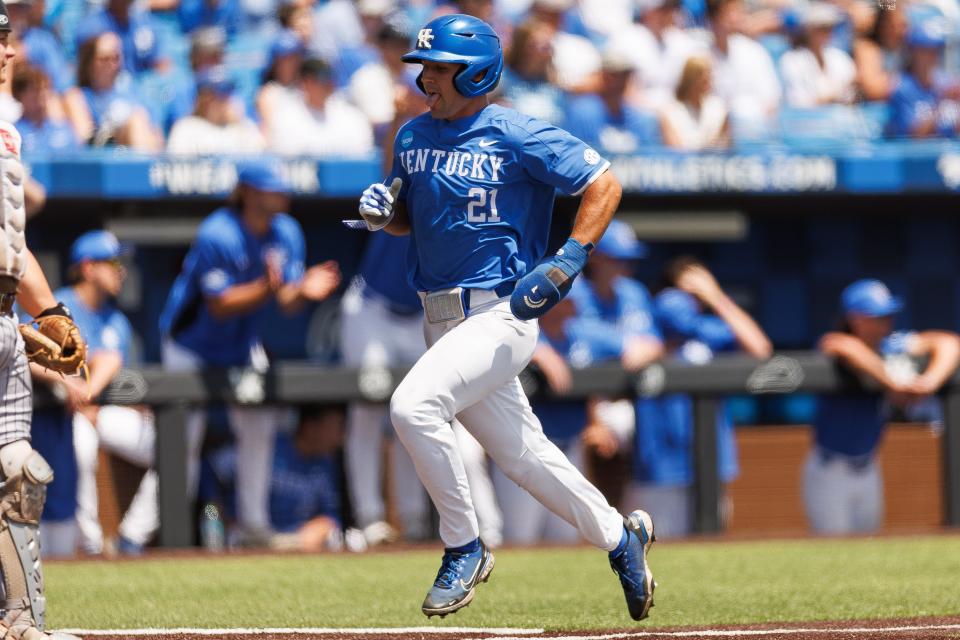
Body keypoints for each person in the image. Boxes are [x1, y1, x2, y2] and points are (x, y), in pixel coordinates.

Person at [356, 14, 655, 621]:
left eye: (441, 68)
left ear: (478, 72)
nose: (426, 80)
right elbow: (411, 217)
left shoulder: (517, 132)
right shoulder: (411, 136)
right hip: (438, 318)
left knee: (412, 407)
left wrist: (569, 259)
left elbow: (603, 183)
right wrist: (384, 212)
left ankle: (464, 545)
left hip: (501, 312)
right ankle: (621, 539)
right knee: (524, 456)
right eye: (425, 67)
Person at [159, 160, 341, 545]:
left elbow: (287, 300)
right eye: (272, 188)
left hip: (241, 347)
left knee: (260, 427)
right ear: (249, 193)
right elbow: (220, 304)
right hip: (191, 346)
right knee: (183, 438)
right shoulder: (218, 233)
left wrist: (303, 290)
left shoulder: (287, 232)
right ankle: (163, 531)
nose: (282, 195)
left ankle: (254, 527)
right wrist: (269, 287)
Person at [0, 3, 83, 636]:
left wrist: (47, 312)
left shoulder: (8, 126)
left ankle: (22, 620)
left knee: (20, 473)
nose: (8, 52)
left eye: (8, 41)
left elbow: (12, 242)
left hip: (3, 315)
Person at [340, 233, 503, 547]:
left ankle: (414, 518)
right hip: (373, 305)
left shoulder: (461, 203)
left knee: (421, 406)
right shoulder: (409, 187)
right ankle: (369, 517)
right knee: (366, 410)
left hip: (425, 309)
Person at [627, 257, 771, 538]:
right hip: (660, 467)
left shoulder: (707, 332)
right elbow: (630, 356)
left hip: (710, 462)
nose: (685, 303)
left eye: (695, 295)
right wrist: (658, 348)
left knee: (710, 549)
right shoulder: (647, 326)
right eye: (682, 293)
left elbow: (760, 349)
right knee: (654, 555)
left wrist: (716, 297)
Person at [808, 279, 960, 534]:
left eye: (889, 314)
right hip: (829, 469)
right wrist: (892, 382)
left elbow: (949, 342)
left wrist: (929, 382)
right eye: (879, 316)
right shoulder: (839, 344)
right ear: (856, 318)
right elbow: (840, 345)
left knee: (869, 548)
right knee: (833, 551)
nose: (887, 321)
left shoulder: (891, 345)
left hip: (868, 468)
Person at [58, 231, 159, 556]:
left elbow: (127, 380)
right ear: (88, 268)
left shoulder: (118, 321)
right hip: (62, 415)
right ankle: (88, 546)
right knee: (80, 445)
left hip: (104, 413)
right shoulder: (58, 307)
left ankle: (132, 536)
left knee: (173, 444)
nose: (121, 271)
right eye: (113, 263)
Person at [64, 31, 162, 150]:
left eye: (115, 58)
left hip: (137, 153)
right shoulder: (77, 96)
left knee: (137, 118)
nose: (111, 64)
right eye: (104, 59)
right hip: (102, 160)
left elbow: (157, 136)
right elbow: (85, 140)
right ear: (89, 63)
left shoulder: (135, 92)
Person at [562, 48, 661, 155]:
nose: (620, 81)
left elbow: (648, 157)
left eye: (625, 75)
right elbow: (577, 155)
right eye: (614, 75)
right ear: (601, 75)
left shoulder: (640, 118)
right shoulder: (582, 112)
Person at [268, 57, 374, 157]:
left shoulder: (352, 116)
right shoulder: (286, 116)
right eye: (321, 79)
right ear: (304, 82)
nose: (328, 84)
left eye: (330, 79)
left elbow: (362, 155)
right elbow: (285, 158)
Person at [886, 16, 960, 138]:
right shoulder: (902, 88)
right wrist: (940, 102)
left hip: (949, 152)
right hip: (916, 155)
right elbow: (914, 136)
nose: (931, 57)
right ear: (913, 52)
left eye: (935, 50)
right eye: (925, 50)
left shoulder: (944, 82)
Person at [167, 65, 265, 156]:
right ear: (204, 98)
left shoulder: (245, 127)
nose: (225, 98)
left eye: (228, 91)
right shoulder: (186, 128)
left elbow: (262, 164)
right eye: (220, 93)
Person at [779, 2, 856, 108]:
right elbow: (798, 102)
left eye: (830, 27)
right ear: (808, 30)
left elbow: (851, 95)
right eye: (822, 28)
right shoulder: (791, 60)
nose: (827, 32)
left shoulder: (840, 58)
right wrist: (831, 98)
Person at [660, 56, 729, 150]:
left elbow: (722, 146)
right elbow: (676, 149)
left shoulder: (717, 108)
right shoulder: (671, 111)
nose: (709, 84)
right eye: (703, 80)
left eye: (709, 79)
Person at [13, 65, 81, 155]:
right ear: (19, 95)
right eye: (34, 90)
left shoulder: (63, 129)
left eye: (45, 88)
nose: (41, 94)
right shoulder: (14, 134)